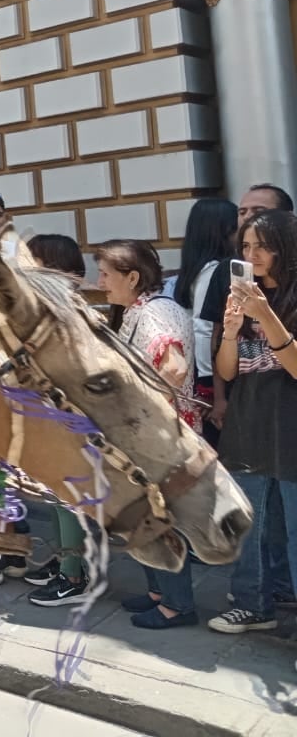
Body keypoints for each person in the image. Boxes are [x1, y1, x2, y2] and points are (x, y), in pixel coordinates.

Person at [89, 240, 199, 628]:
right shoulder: (144, 309)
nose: (99, 281)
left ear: (132, 277)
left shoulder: (153, 313)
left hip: (160, 440)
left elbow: (174, 368)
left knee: (159, 519)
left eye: (105, 273)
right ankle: (160, 593)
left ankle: (177, 604)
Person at [198, 184, 297, 606]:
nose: (251, 256)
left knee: (293, 530)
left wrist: (266, 316)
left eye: (262, 247)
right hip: (248, 423)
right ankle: (252, 604)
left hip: (289, 426)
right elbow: (227, 371)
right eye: (246, 245)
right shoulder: (238, 293)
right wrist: (233, 333)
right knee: (249, 522)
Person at [16, 235, 95, 605]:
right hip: (52, 410)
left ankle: (74, 575)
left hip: (71, 413)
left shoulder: (68, 305)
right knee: (58, 495)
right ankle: (67, 563)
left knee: (69, 497)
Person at [164, 199, 236, 447]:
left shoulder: (195, 267)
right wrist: (209, 385)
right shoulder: (212, 269)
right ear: (223, 230)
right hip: (206, 372)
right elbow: (204, 326)